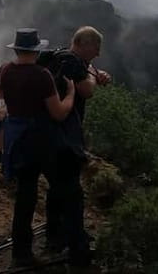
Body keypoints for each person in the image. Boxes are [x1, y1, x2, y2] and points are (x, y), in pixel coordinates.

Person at [0, 28, 75, 268]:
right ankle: (58, 237)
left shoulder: (7, 70)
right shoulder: (42, 76)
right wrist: (70, 93)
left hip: (16, 139)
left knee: (25, 196)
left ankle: (21, 253)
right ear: (36, 51)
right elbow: (58, 113)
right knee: (59, 185)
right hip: (40, 139)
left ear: (17, 49)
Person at [44, 26, 111, 265]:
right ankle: (77, 248)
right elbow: (87, 89)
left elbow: (87, 78)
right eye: (96, 48)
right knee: (73, 193)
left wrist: (94, 71)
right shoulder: (71, 62)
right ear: (83, 44)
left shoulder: (60, 57)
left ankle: (54, 237)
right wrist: (93, 76)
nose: (98, 53)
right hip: (64, 139)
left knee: (56, 189)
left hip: (48, 136)